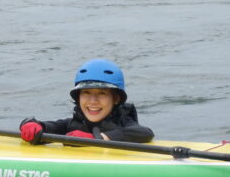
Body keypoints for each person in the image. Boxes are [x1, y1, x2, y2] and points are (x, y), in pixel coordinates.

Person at [20, 59, 154, 144]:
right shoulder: (73, 124)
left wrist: (96, 138)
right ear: (78, 97)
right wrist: (30, 124)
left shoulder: (124, 123)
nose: (93, 101)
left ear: (116, 99)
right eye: (86, 93)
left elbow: (145, 133)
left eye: (102, 93)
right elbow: (51, 127)